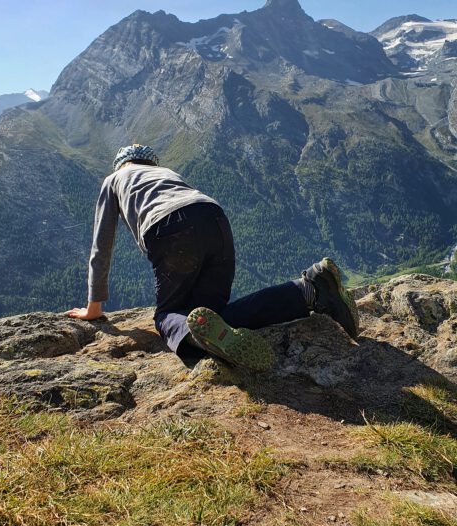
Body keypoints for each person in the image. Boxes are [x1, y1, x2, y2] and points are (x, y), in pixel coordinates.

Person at [66, 144, 359, 371]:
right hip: (214, 217)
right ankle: (309, 289)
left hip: (169, 228)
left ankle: (202, 339)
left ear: (122, 164)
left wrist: (94, 307)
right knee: (217, 315)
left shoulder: (115, 179)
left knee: (167, 317)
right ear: (150, 162)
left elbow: (101, 246)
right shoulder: (167, 173)